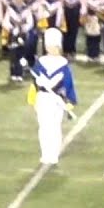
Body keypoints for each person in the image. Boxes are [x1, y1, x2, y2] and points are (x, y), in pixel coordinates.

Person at [28, 27, 76, 167]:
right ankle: (45, 153)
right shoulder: (41, 62)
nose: (51, 48)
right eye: (49, 46)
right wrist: (34, 91)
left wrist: (70, 100)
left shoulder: (63, 64)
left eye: (54, 46)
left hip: (57, 100)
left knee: (55, 126)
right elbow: (34, 82)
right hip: (43, 98)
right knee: (43, 126)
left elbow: (68, 83)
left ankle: (53, 154)